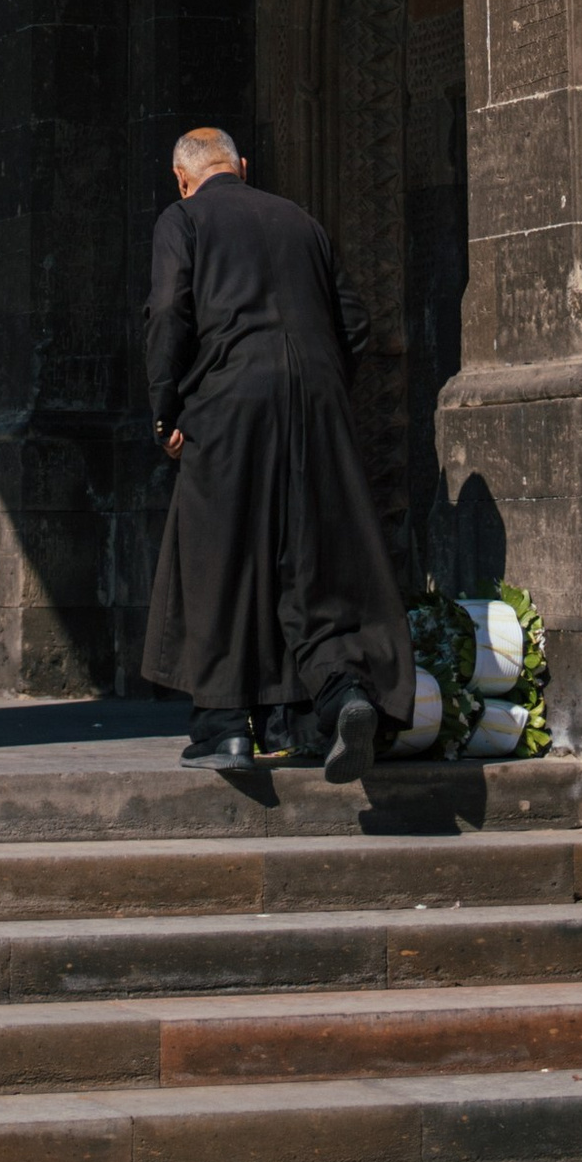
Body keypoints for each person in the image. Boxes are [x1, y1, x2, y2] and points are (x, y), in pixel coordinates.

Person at [141, 124, 415, 773]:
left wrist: (166, 409)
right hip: (318, 402)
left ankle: (224, 727)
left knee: (220, 555)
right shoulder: (300, 221)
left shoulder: (183, 219)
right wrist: (316, 389)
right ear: (242, 165)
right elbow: (354, 323)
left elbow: (168, 313)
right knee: (312, 556)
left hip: (227, 404)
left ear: (183, 177)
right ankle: (339, 692)